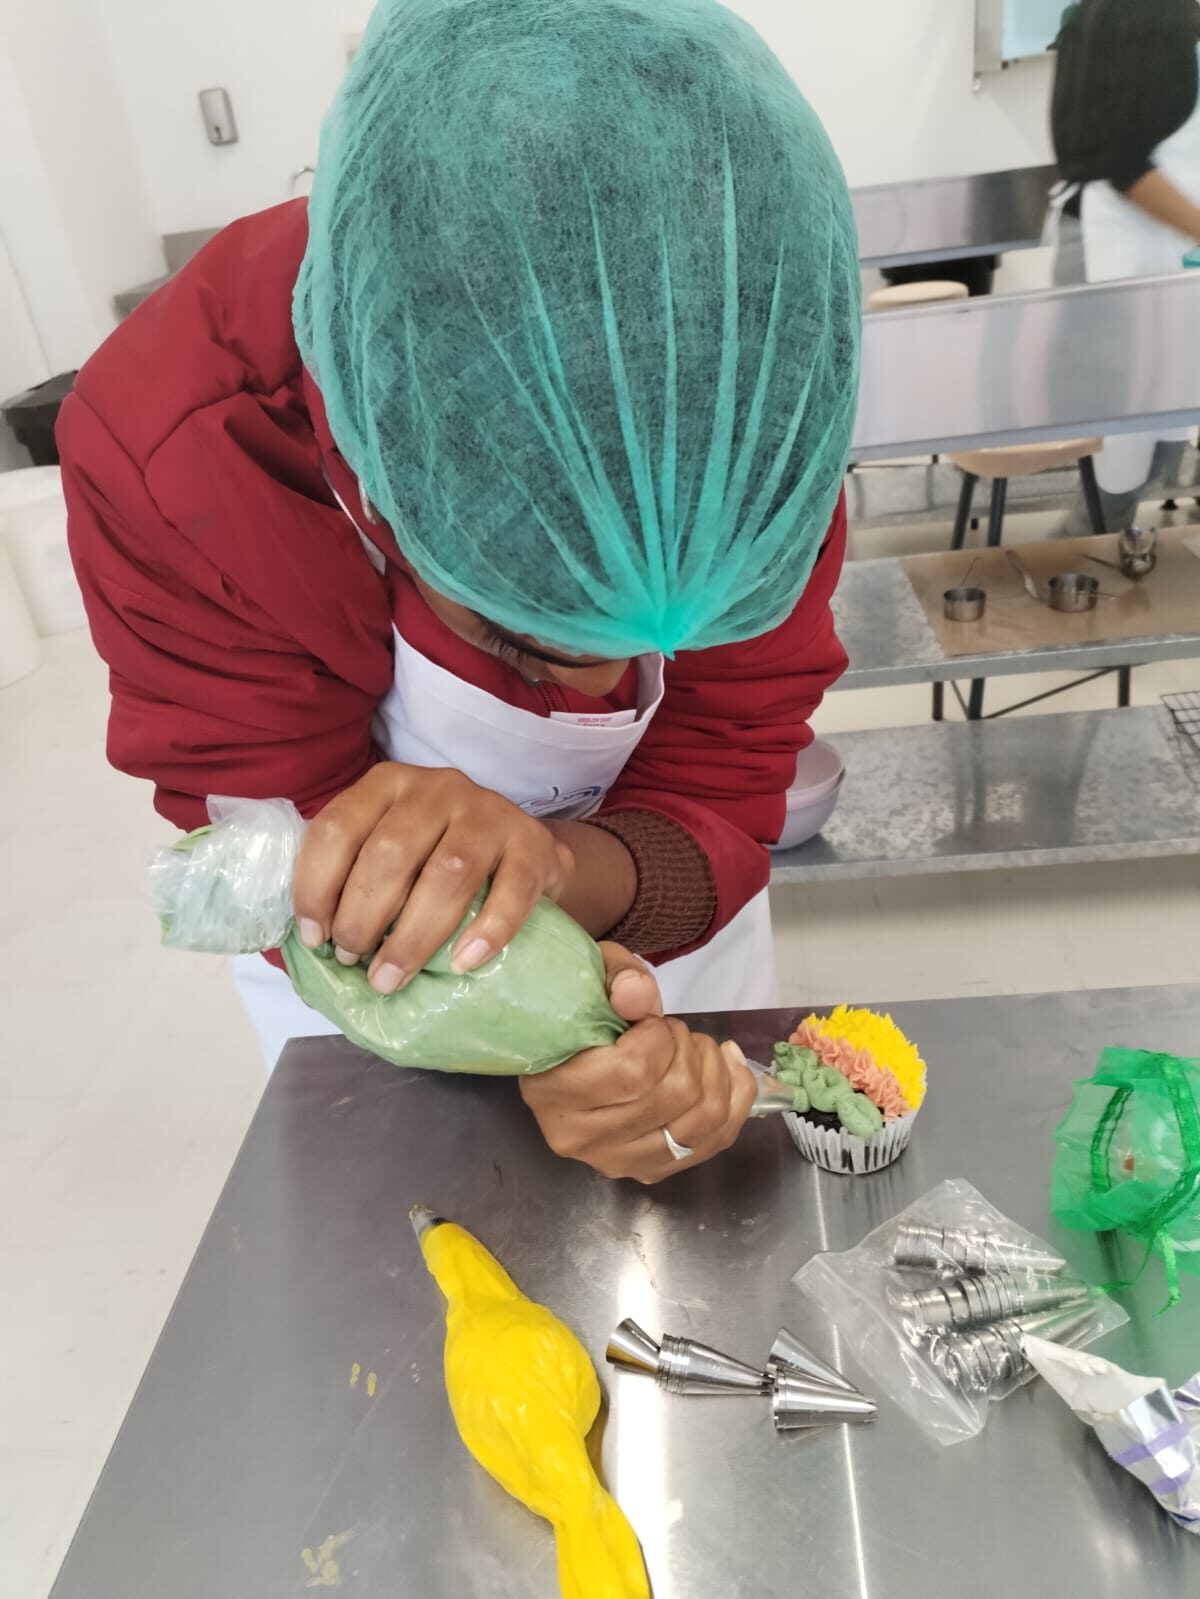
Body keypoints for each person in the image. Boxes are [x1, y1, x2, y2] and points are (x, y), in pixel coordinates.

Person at [60, 0, 860, 1184]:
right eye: (523, 636)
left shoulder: (749, 403)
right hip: (379, 991)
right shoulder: (184, 446)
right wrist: (514, 994)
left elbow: (731, 758)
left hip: (673, 956)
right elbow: (276, 850)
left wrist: (563, 876)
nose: (602, 692)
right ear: (378, 465)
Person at [1050, 0, 1200, 527]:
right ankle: (1073, 578)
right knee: (1117, 467)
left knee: (1158, 446)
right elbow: (1116, 158)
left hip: (1169, 256)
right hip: (1116, 253)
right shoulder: (1115, 16)